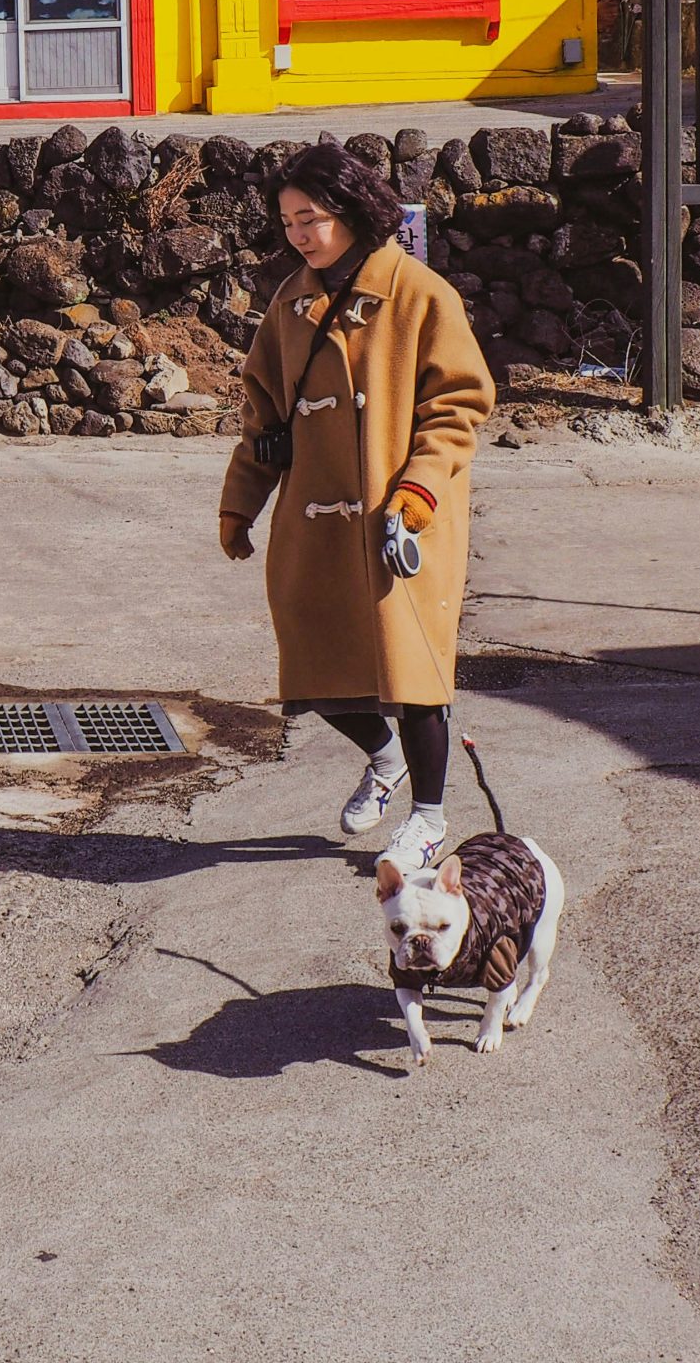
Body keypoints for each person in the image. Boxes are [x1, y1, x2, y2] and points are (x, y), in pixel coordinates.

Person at [217, 141, 495, 871]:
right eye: (288, 221)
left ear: (352, 211)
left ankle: (429, 819)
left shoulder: (420, 293)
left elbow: (458, 404)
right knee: (311, 658)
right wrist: (239, 505)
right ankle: (382, 758)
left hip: (403, 515)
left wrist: (418, 490)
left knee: (413, 674)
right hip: (314, 511)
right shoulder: (290, 300)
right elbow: (263, 415)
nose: (301, 234)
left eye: (312, 217)